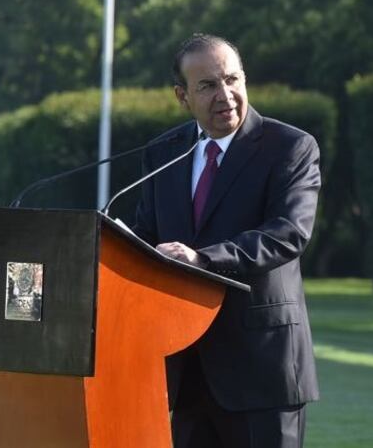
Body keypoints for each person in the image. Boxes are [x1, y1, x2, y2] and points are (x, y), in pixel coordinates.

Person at [134, 33, 321, 448]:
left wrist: (203, 259)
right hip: (188, 370)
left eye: (232, 80)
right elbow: (146, 239)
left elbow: (287, 233)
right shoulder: (163, 153)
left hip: (263, 370)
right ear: (182, 96)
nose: (225, 94)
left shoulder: (290, 147)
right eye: (207, 86)